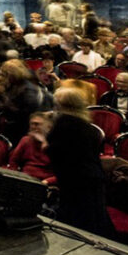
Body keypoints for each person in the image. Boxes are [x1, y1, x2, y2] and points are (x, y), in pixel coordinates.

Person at [47, 87, 113, 237]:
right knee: (95, 218)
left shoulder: (64, 123)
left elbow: (54, 151)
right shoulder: (85, 124)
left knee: (78, 222)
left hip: (77, 179)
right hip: (91, 177)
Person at [8, 111, 55, 182]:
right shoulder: (26, 140)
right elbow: (13, 161)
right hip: (25, 178)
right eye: (31, 124)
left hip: (46, 182)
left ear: (48, 127)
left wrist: (48, 181)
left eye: (37, 124)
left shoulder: (56, 144)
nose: (33, 127)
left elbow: (63, 172)